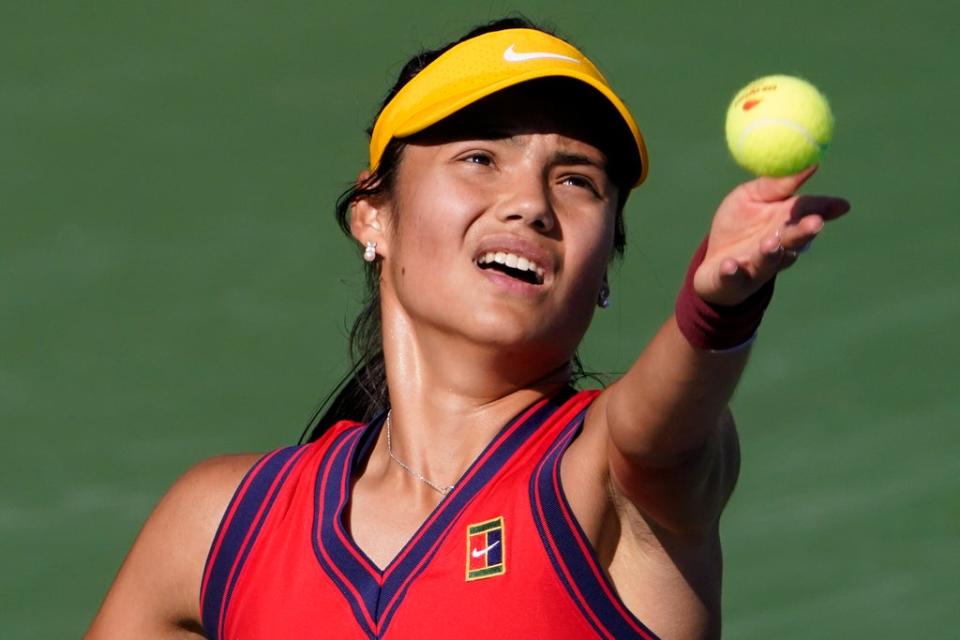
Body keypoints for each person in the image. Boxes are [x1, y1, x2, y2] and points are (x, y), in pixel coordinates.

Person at [86, 18, 850, 640]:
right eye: (480, 157)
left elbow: (664, 430)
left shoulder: (610, 480)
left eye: (577, 180)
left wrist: (717, 307)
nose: (531, 204)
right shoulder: (223, 526)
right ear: (373, 216)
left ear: (605, 269)